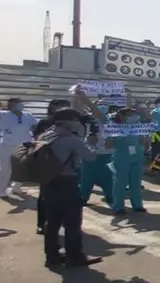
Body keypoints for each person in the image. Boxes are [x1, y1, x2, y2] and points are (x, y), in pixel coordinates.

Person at [37, 108, 104, 268]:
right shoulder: (71, 139)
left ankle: (52, 256)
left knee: (52, 221)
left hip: (48, 182)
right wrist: (92, 144)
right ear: (67, 122)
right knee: (72, 222)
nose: (77, 123)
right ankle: (74, 256)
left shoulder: (45, 135)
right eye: (75, 120)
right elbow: (90, 157)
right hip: (67, 183)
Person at [107, 108, 146, 215]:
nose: (133, 117)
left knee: (136, 182)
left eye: (133, 114)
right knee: (120, 182)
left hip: (137, 157)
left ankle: (137, 205)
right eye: (130, 115)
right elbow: (109, 145)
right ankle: (118, 207)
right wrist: (111, 137)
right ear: (122, 116)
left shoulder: (138, 126)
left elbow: (142, 141)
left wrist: (144, 140)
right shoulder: (114, 127)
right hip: (121, 158)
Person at [0, 97, 37, 197]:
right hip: (7, 145)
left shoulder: (28, 115)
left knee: (22, 168)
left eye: (18, 103)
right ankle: (1, 190)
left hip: (24, 145)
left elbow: (34, 127)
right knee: (6, 169)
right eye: (12, 104)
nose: (15, 106)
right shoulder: (3, 114)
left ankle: (16, 188)